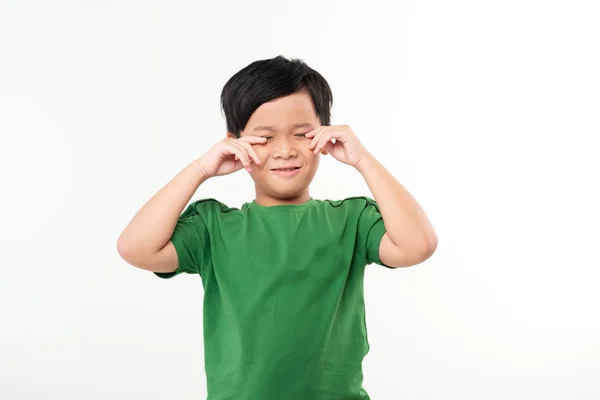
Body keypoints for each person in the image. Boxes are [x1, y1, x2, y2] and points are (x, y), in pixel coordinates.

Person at [117, 55, 438, 400]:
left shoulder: (352, 219)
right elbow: (136, 248)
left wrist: (362, 159)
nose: (285, 150)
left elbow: (416, 245)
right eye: (264, 138)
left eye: (301, 134)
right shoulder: (213, 227)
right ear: (234, 143)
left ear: (325, 136)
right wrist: (200, 169)